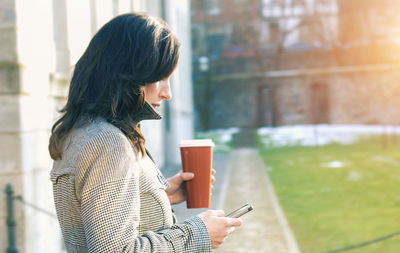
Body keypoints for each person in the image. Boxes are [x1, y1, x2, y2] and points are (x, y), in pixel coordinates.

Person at [49, 12, 242, 252]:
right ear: (129, 73)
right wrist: (197, 233)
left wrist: (161, 194)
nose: (167, 93)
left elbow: (96, 215)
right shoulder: (108, 141)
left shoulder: (82, 131)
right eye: (160, 78)